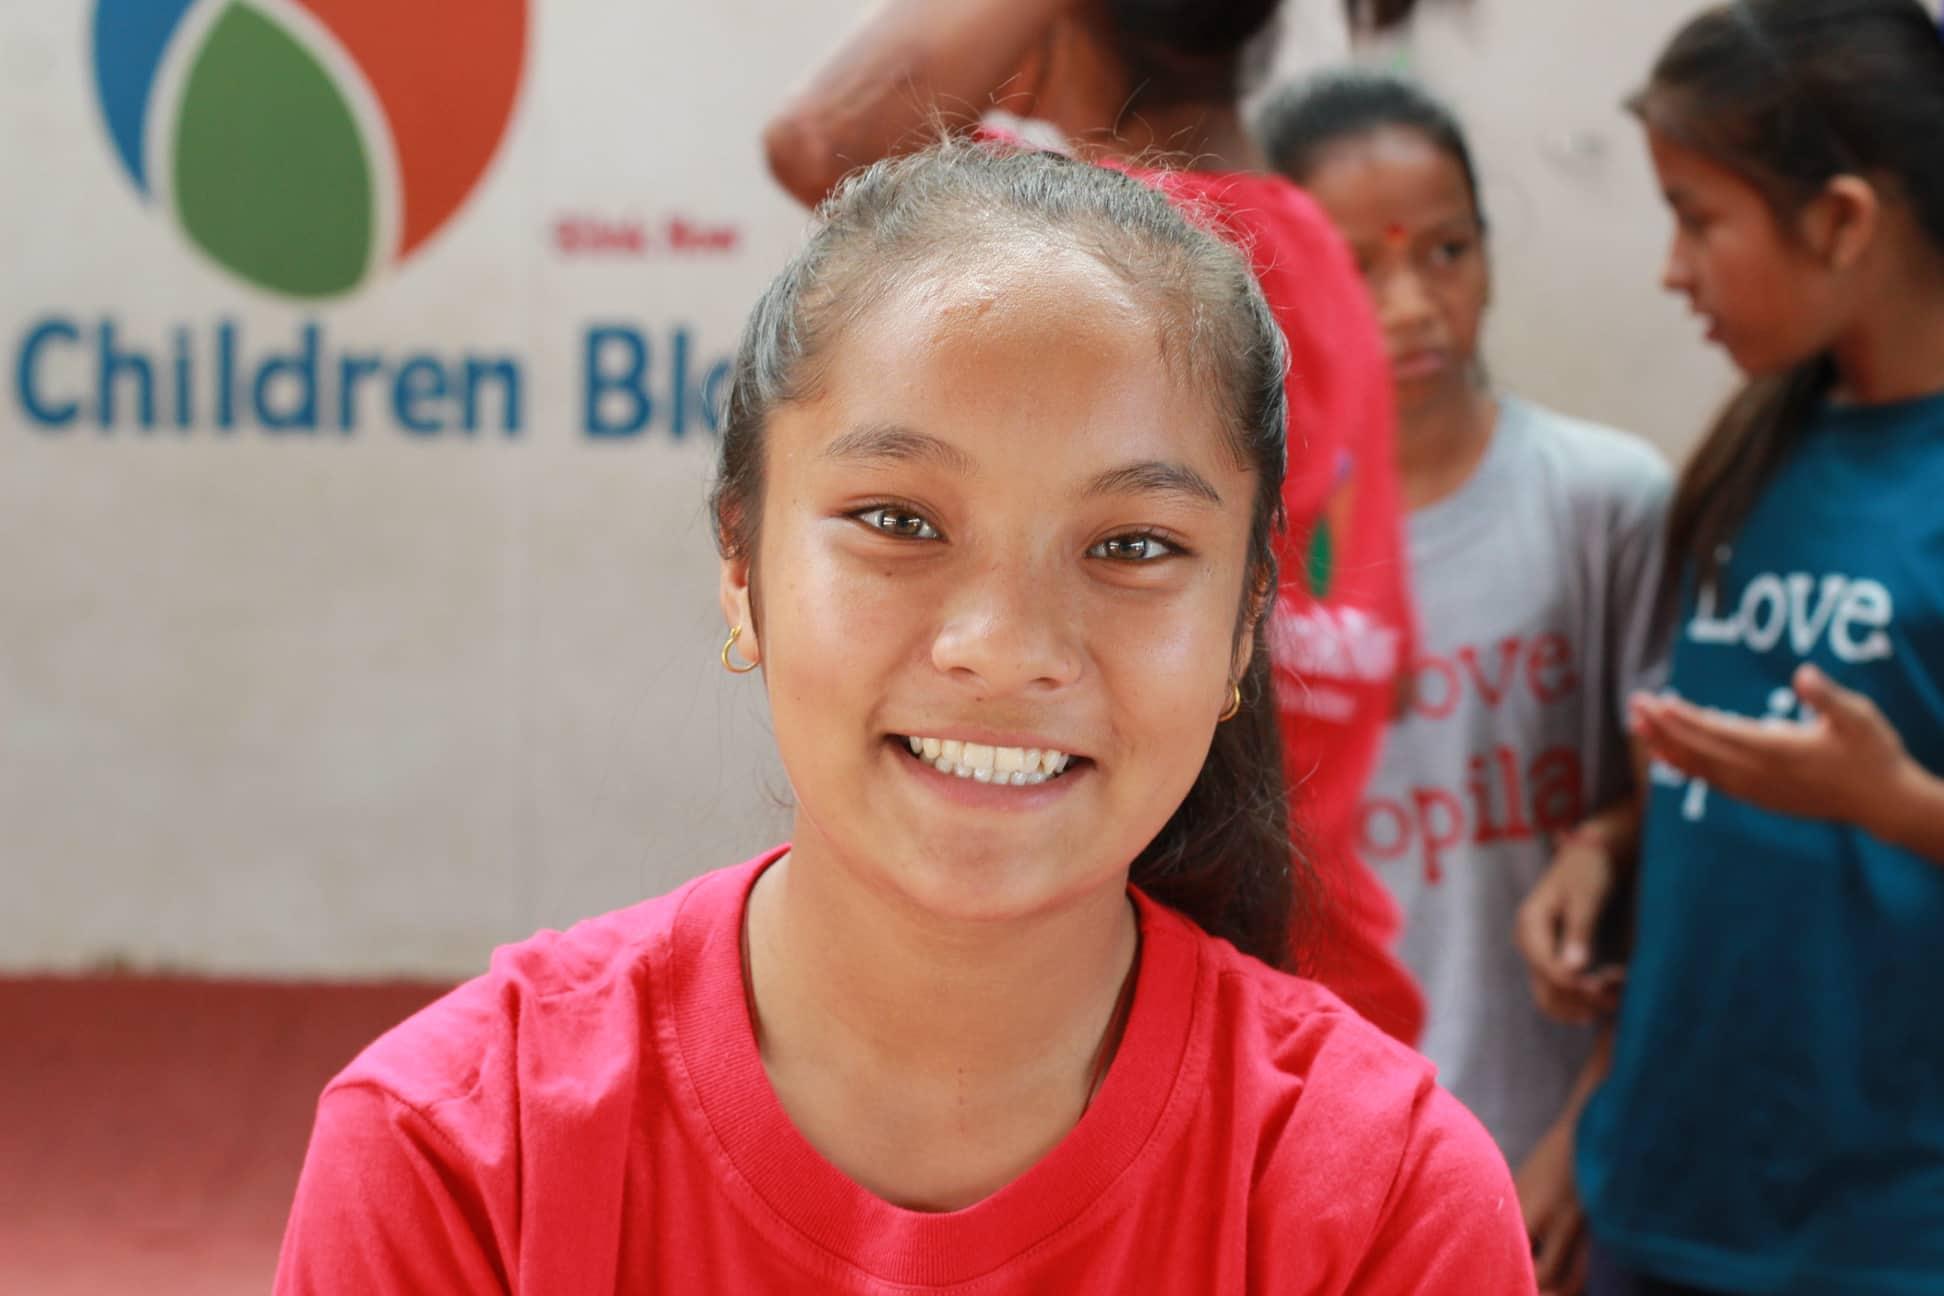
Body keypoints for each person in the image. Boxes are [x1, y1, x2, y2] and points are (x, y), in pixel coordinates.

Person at [274, 141, 1533, 1293]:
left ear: (1244, 627)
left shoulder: (1388, 1209)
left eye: (1134, 544)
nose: (1006, 648)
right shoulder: (457, 1153)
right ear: (741, 567)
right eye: (898, 522)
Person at [764, 0, 1430, 1046]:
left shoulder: (1095, 269)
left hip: (1164, 1027)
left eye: (1130, 547)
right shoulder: (1312, 260)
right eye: (899, 521)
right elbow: (1391, 678)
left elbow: (820, 144)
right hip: (1323, 1000)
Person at [1511, 3, 1944, 1292]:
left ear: (1845, 222)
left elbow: (1849, 786)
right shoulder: (1758, 451)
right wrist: (1608, 844)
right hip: (1658, 1190)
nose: (1671, 268)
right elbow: (1733, 757)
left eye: (1699, 218)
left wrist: (1894, 803)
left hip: (1865, 1237)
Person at [1258, 71, 1672, 1296]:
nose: (1412, 304)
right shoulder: (1241, 544)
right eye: (1359, 266)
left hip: (1568, 1161)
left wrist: (1583, 1136)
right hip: (1329, 1164)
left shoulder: (1604, 502)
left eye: (1446, 251)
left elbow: (1684, 835)